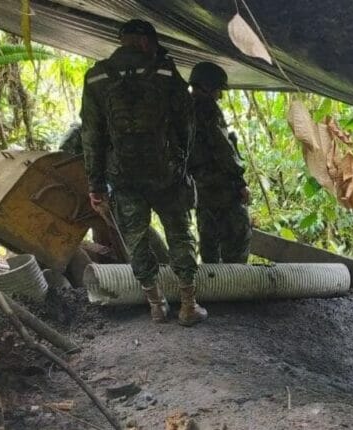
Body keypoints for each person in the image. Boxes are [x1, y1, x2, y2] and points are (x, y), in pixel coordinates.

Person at [80, 19, 207, 326]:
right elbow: (186, 123)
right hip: (167, 175)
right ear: (147, 41)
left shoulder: (97, 77)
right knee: (179, 235)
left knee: (135, 240)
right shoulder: (164, 71)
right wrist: (181, 162)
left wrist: (96, 184)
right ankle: (188, 306)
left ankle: (156, 305)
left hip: (123, 178)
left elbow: (91, 135)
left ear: (122, 41)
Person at [187, 62, 252, 263]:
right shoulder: (207, 109)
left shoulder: (183, 108)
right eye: (217, 90)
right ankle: (236, 286)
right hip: (220, 187)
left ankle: (213, 287)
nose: (220, 96)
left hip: (199, 186)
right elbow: (223, 148)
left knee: (209, 240)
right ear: (207, 87)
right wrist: (240, 183)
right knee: (237, 236)